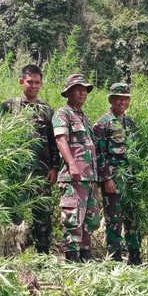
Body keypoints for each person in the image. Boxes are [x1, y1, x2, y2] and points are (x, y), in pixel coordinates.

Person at [0, 65, 59, 254]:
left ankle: (43, 255)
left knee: (43, 214)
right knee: (14, 213)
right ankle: (13, 254)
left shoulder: (47, 110)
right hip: (16, 171)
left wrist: (54, 167)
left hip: (41, 171)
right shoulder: (9, 107)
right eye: (30, 81)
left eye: (37, 82)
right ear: (21, 82)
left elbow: (53, 141)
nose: (33, 85)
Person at [52, 74, 100, 262]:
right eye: (77, 89)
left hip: (90, 177)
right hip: (74, 176)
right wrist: (72, 164)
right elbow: (60, 140)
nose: (82, 93)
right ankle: (72, 258)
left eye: (84, 90)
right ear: (68, 92)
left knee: (90, 220)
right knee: (73, 219)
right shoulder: (63, 113)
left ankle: (85, 257)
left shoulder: (84, 117)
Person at [93, 83, 141, 265]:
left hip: (131, 179)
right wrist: (106, 178)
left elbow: (137, 151)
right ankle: (115, 257)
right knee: (114, 219)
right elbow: (99, 153)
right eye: (118, 98)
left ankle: (135, 256)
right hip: (114, 179)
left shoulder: (130, 123)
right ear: (111, 100)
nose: (122, 102)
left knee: (133, 217)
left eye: (126, 98)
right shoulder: (102, 123)